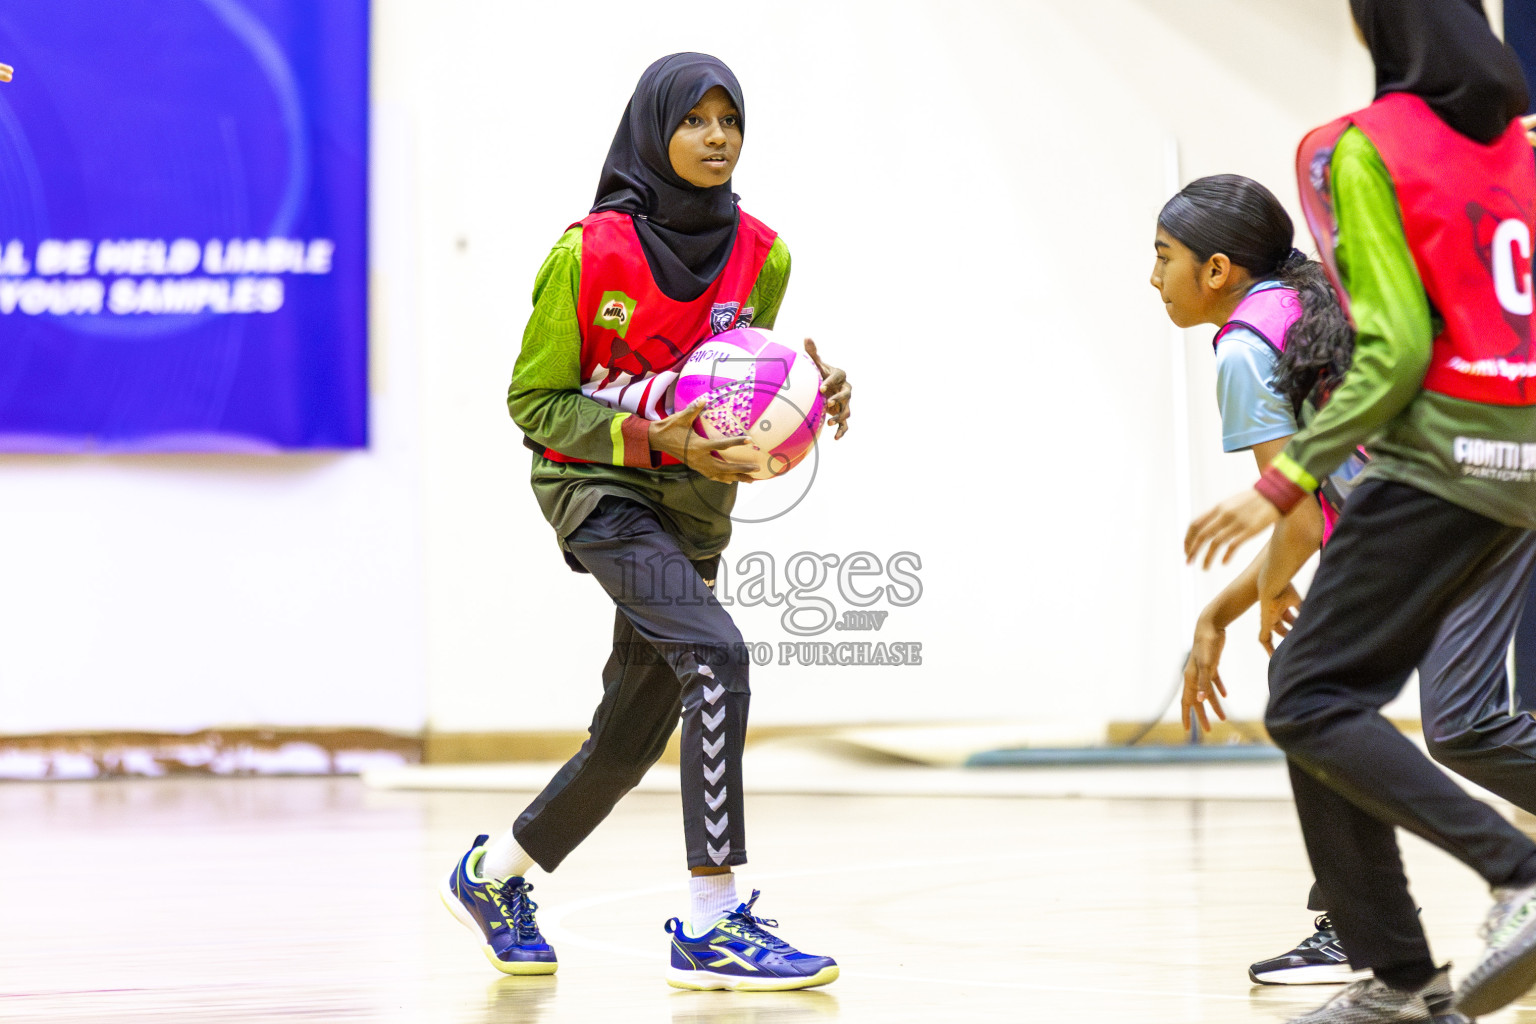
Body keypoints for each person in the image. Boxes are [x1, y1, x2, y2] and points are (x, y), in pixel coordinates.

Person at [439, 53, 850, 992]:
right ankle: (713, 921)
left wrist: (803, 403)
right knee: (718, 655)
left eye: (730, 120)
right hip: (599, 489)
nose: (717, 138)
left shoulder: (765, 252)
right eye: (695, 120)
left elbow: (739, 379)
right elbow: (533, 401)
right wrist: (645, 437)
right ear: (651, 130)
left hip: (694, 506)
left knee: (629, 737)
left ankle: (495, 874)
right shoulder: (587, 252)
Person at [1186, 1, 1536, 1019]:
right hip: (1520, 457)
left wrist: (1284, 481)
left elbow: (1393, 350)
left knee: (1308, 700)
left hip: (1441, 454)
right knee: (1318, 689)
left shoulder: (1352, 148)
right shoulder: (1514, 152)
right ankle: (1393, 973)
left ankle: (1511, 876)